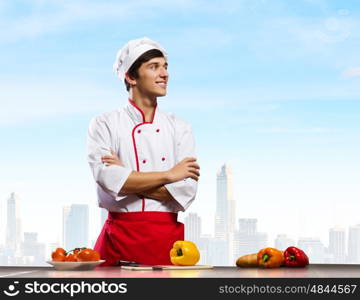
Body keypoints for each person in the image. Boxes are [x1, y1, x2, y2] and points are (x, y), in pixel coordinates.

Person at [87, 37, 200, 266]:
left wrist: (127, 177)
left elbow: (186, 191)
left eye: (165, 66)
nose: (164, 73)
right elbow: (108, 180)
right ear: (131, 77)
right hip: (118, 240)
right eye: (154, 67)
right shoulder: (104, 124)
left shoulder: (180, 128)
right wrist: (169, 175)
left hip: (169, 244)